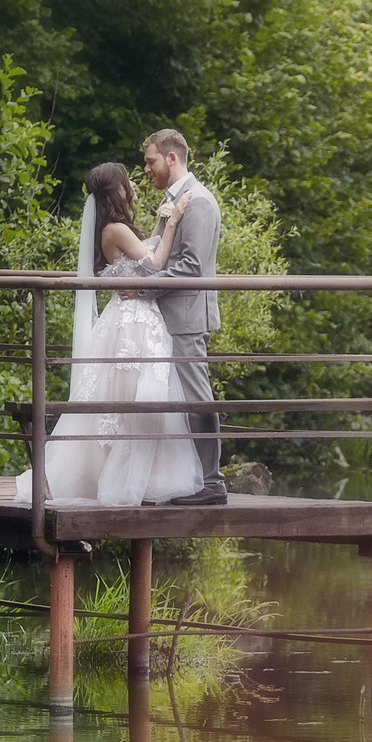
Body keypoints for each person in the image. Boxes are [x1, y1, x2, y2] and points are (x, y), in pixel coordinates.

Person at [11, 162, 203, 506]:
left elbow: (143, 256)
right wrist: (173, 222)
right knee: (131, 402)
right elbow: (156, 264)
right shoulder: (115, 229)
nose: (133, 184)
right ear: (117, 189)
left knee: (133, 401)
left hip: (132, 316)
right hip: (132, 322)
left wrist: (162, 223)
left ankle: (138, 477)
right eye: (127, 181)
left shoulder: (114, 228)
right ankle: (121, 479)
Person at [140, 129, 227, 505]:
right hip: (169, 314)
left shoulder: (200, 203)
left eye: (151, 161)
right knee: (173, 402)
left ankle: (212, 484)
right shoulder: (172, 202)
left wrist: (143, 288)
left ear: (172, 158)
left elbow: (192, 268)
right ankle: (184, 480)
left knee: (196, 400)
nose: (147, 169)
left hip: (188, 316)